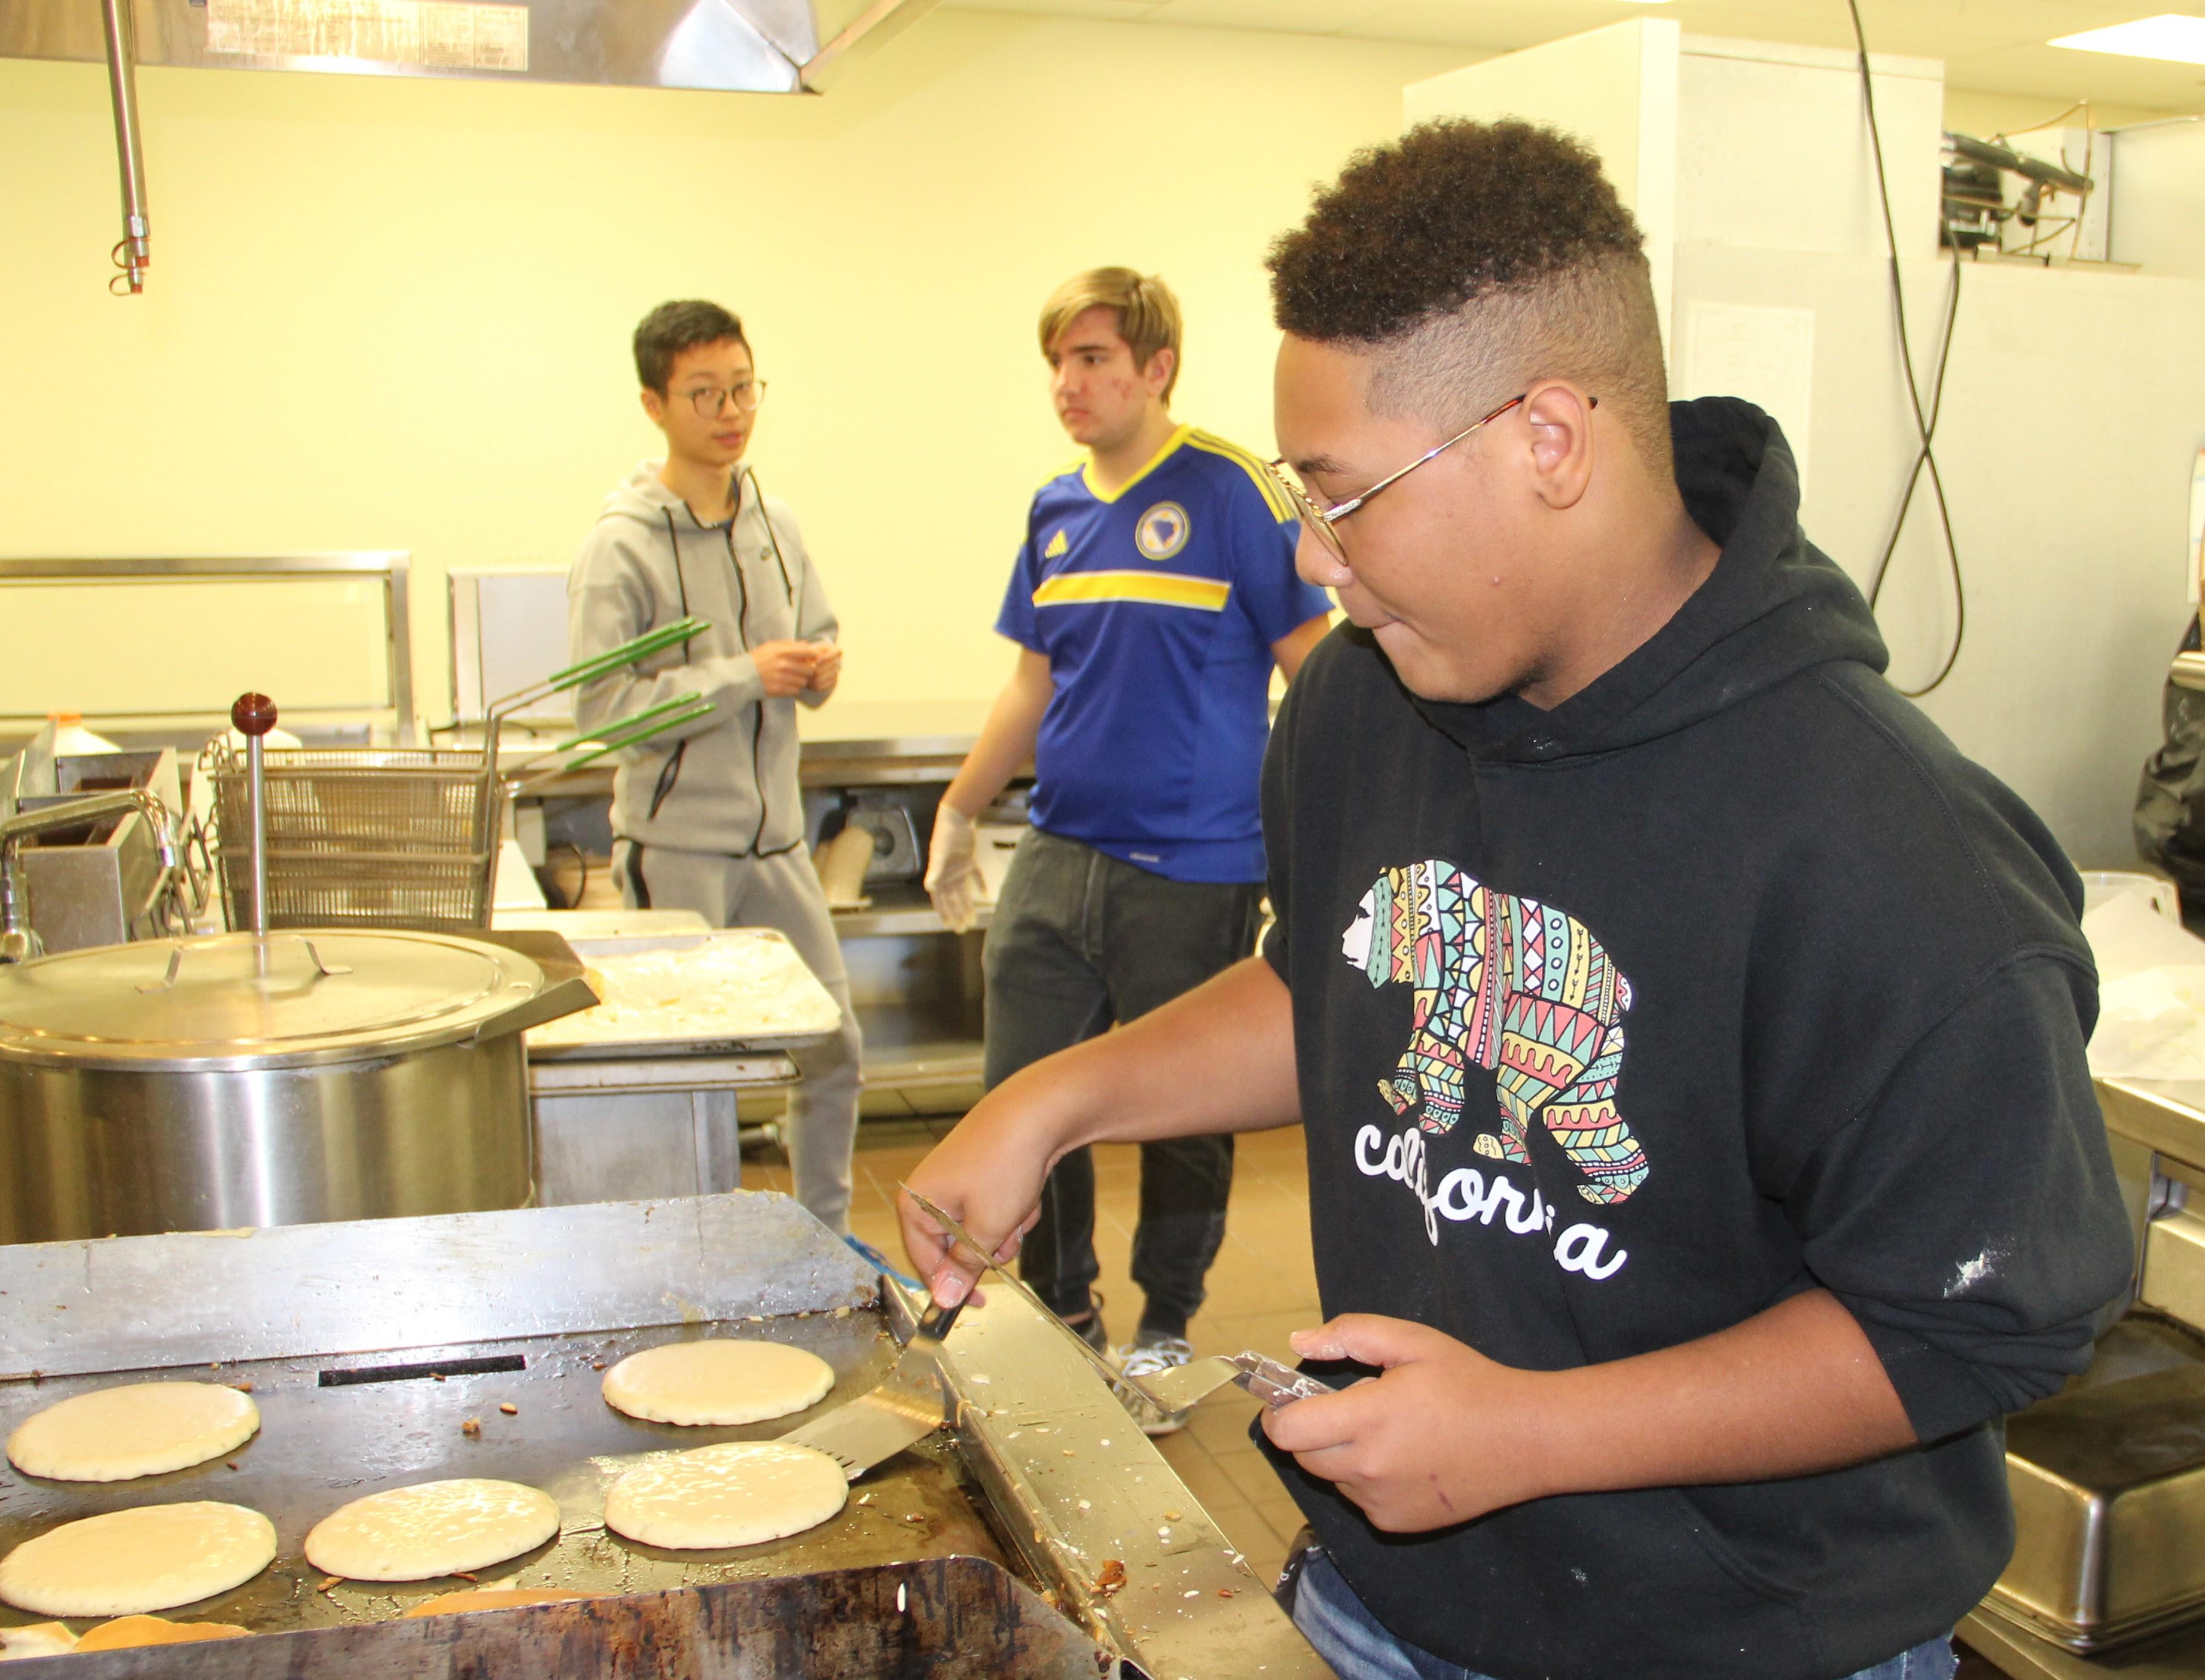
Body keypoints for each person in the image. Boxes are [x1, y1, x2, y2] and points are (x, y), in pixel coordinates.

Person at [901, 121, 2133, 1680]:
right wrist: (1059, 1099)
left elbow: (1975, 1317)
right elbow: (1331, 994)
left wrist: (1536, 1433)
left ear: (1550, 438)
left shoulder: (1886, 847)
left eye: (1345, 497)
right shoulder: (1366, 703)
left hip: (1746, 1643)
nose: (1313, 558)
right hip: (1384, 1599)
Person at [923, 267, 1332, 1426]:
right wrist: (961, 812)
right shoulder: (1056, 507)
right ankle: (1062, 1323)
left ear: (1157, 368)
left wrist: (1354, 809)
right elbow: (1030, 683)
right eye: (1058, 361)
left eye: (1096, 358)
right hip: (1057, 854)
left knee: (1182, 1112)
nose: (1070, 382)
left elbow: (1317, 662)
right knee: (1028, 1098)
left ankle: (1162, 1335)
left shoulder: (1233, 491)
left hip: (1195, 863)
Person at [567, 298, 863, 1239]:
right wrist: (743, 676)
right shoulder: (621, 545)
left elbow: (813, 636)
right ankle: (690, 1251)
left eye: (742, 388)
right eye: (704, 394)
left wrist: (815, 669)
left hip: (777, 844)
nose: (730, 411)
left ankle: (824, 1240)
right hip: (675, 850)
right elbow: (603, 712)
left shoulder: (774, 523)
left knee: (833, 1050)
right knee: (685, 1076)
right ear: (655, 403)